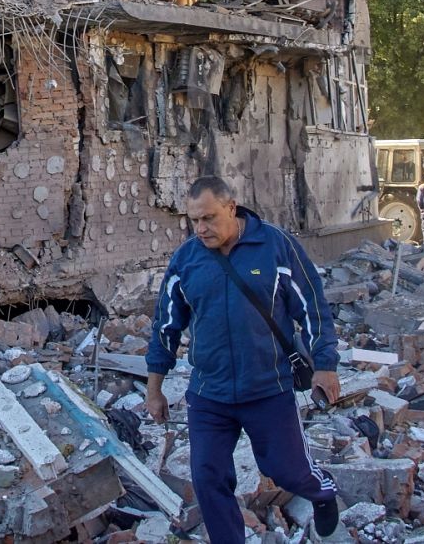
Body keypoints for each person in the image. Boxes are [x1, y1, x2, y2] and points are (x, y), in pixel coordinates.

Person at [146, 177, 341, 543]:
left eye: (209, 218)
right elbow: (165, 326)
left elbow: (313, 308)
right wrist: (154, 388)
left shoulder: (275, 247)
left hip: (268, 389)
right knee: (208, 479)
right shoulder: (186, 261)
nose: (201, 229)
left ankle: (322, 492)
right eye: (194, 221)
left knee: (286, 472)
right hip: (209, 395)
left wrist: (326, 365)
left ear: (231, 208)